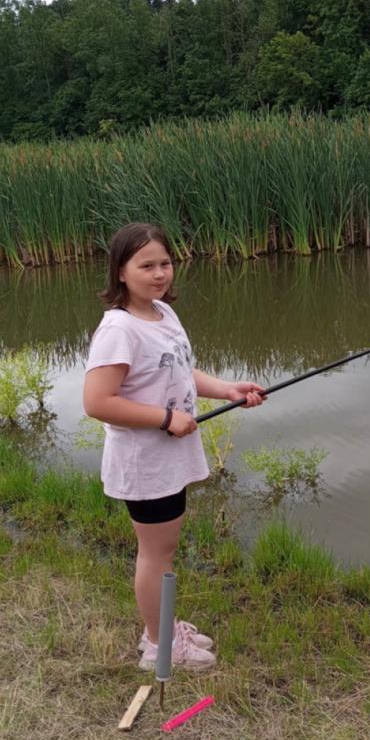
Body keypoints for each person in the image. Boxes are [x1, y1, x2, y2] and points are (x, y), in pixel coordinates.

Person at [83, 222, 265, 671]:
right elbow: (97, 402)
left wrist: (227, 390)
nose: (160, 273)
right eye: (146, 266)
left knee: (163, 549)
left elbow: (180, 370)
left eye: (165, 263)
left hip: (169, 459)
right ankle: (157, 645)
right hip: (144, 463)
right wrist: (165, 418)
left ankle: (161, 628)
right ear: (121, 271)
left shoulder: (162, 313)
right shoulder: (119, 329)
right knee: (156, 553)